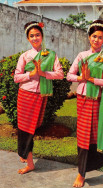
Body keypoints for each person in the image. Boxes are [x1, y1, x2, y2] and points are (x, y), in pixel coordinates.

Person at [67, 20, 103, 188]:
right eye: (94, 36)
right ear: (89, 37)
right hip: (83, 100)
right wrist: (81, 78)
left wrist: (92, 79)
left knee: (97, 136)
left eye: (100, 37)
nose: (96, 40)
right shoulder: (82, 56)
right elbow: (69, 76)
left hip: (97, 101)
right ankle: (82, 173)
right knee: (83, 136)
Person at [14, 21, 64, 174]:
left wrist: (42, 73)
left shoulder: (51, 55)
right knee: (24, 129)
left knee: (31, 128)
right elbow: (16, 77)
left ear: (42, 36)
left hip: (40, 95)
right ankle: (29, 162)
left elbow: (60, 74)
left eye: (37, 35)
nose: (35, 38)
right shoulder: (25, 56)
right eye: (31, 36)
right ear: (28, 39)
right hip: (25, 95)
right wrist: (31, 74)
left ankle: (25, 153)